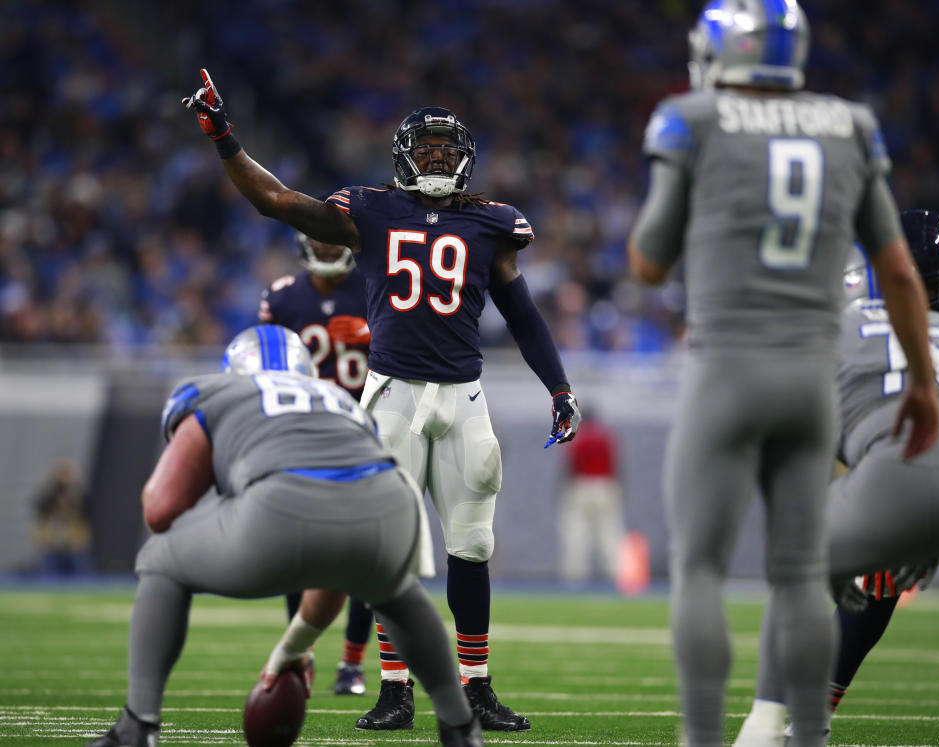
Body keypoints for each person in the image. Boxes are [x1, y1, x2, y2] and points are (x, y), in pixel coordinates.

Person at [183, 73, 581, 732]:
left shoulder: (490, 222)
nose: (436, 158)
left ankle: (477, 685)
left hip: (464, 394)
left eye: (444, 149)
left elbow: (524, 315)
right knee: (388, 548)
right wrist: (222, 133)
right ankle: (393, 688)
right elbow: (275, 200)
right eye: (424, 149)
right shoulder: (368, 209)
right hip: (391, 392)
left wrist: (559, 386)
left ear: (465, 157)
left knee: (473, 544)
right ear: (401, 155)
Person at [626, 3, 939, 745]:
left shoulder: (692, 118)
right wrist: (922, 382)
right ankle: (807, 738)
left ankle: (706, 737)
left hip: (731, 361)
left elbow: (648, 256)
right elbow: (898, 270)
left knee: (699, 567)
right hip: (809, 372)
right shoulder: (850, 125)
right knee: (803, 572)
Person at [84, 324, 484, 747]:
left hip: (281, 507)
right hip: (392, 507)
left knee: (159, 557)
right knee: (392, 590)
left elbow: (160, 508)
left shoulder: (215, 391)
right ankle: (460, 726)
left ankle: (137, 723)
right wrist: (292, 649)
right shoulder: (337, 400)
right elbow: (336, 571)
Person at [735, 210, 939, 746]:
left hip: (889, 472)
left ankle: (767, 725)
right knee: (876, 585)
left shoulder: (837, 325)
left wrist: (871, 511)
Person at [259, 231, 374, 696]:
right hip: (303, 434)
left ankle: (352, 664)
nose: (326, 248)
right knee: (297, 553)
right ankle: (299, 654)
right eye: (318, 239)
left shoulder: (373, 287)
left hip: (363, 432)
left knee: (366, 557)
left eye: (333, 240)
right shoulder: (283, 297)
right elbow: (266, 369)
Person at [557, 410, 625, 583]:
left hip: (581, 487)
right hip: (606, 486)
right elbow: (617, 466)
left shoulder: (576, 437)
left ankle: (574, 581)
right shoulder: (607, 436)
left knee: (576, 537)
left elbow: (569, 468)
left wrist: (561, 491)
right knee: (610, 535)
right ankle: (617, 578)